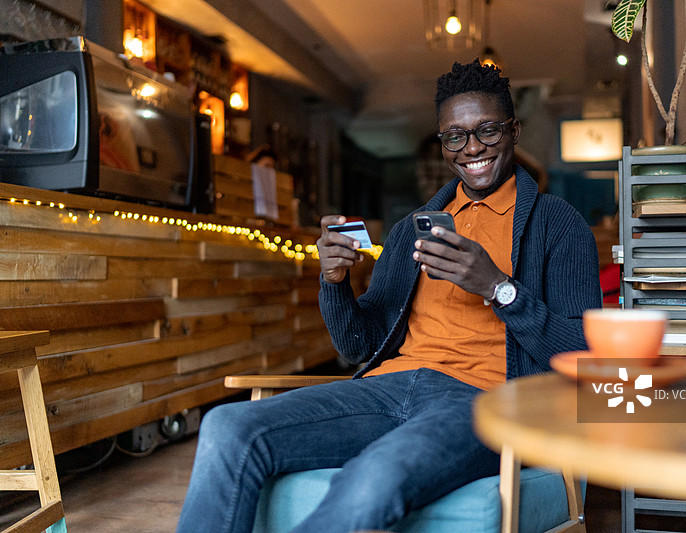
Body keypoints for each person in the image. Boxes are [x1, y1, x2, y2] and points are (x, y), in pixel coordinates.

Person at [176, 59, 601, 533]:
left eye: (488, 130)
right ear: (443, 143)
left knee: (377, 473)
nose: (472, 147)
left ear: (515, 130)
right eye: (455, 136)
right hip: (386, 388)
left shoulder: (558, 224)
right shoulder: (411, 230)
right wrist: (334, 281)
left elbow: (582, 353)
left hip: (484, 402)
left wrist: (498, 288)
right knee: (229, 428)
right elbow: (359, 346)